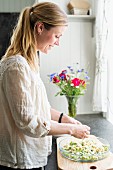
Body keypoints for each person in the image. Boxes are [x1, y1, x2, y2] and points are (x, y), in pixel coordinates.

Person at [0, 2, 90, 170]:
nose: (57, 43)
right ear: (40, 28)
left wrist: (64, 118)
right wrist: (70, 129)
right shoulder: (16, 66)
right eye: (57, 36)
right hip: (19, 160)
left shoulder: (28, 62)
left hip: (30, 155)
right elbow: (28, 122)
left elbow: (37, 108)